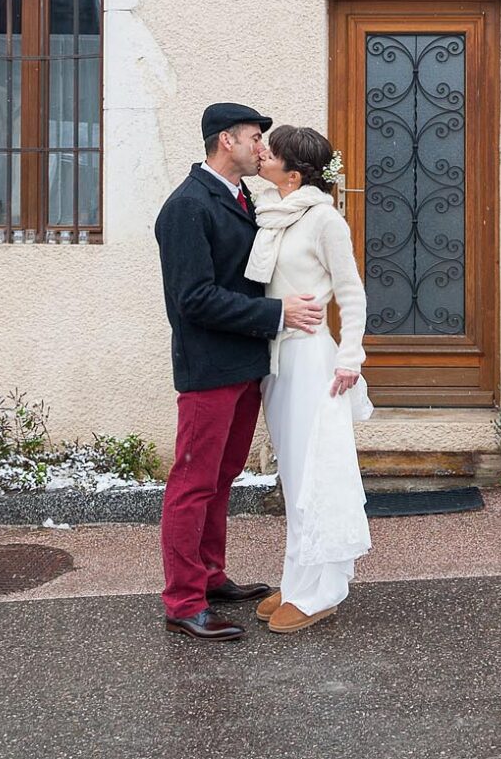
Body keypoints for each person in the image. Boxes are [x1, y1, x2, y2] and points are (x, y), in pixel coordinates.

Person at [155, 103, 325, 641]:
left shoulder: (243, 197)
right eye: (255, 138)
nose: (262, 148)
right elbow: (194, 299)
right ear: (226, 141)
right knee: (192, 484)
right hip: (209, 369)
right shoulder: (187, 206)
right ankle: (184, 601)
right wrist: (276, 314)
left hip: (244, 364)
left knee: (222, 477)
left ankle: (210, 576)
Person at [248, 125, 371, 634]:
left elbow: (352, 293)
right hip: (279, 361)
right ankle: (298, 577)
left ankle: (322, 591)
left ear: (294, 175)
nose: (261, 153)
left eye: (271, 151)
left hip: (312, 362)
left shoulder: (324, 220)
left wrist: (349, 359)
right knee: (294, 476)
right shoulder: (271, 215)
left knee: (317, 474)